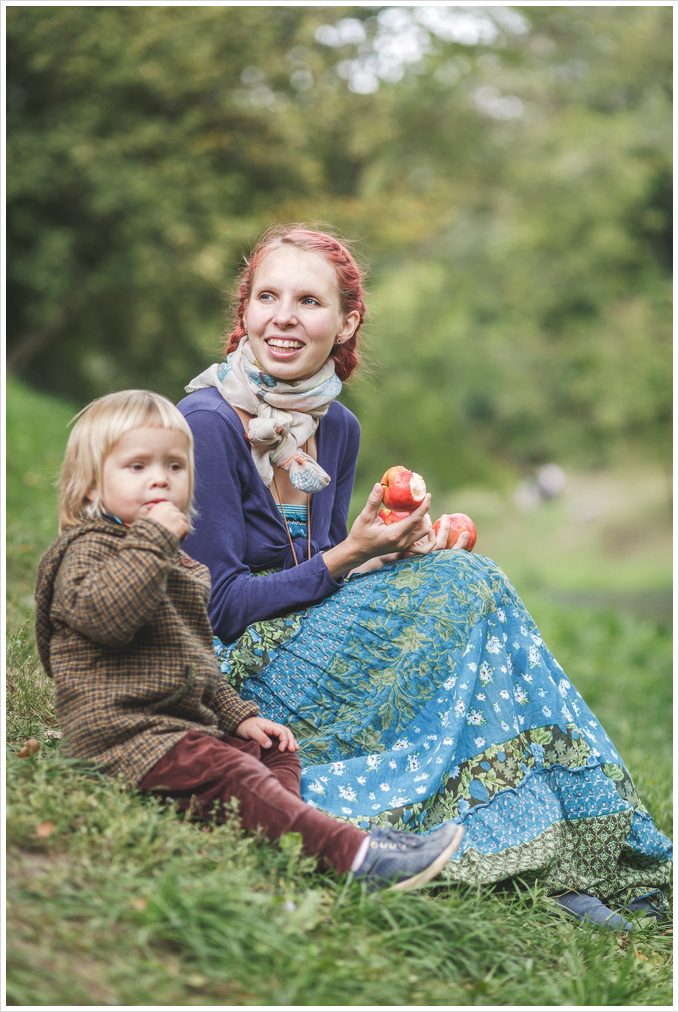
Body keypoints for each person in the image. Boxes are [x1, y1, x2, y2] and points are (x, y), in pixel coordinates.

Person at [178, 225, 671, 929]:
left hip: (295, 638)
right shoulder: (206, 422)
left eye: (308, 301)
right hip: (232, 672)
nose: (283, 317)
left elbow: (314, 569)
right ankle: (527, 849)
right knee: (469, 586)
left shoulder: (335, 427)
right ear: (244, 310)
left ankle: (554, 846)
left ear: (345, 320)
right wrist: (350, 555)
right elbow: (219, 608)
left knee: (461, 576)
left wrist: (384, 551)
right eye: (267, 296)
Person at [34, 389, 465, 894]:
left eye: (175, 467)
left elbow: (196, 659)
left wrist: (239, 715)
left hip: (177, 726)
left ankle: (280, 826)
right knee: (232, 772)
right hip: (123, 735)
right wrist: (151, 542)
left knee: (271, 749)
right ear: (89, 490)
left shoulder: (183, 565)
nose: (160, 478)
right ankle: (356, 857)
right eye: (137, 466)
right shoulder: (85, 551)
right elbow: (106, 618)